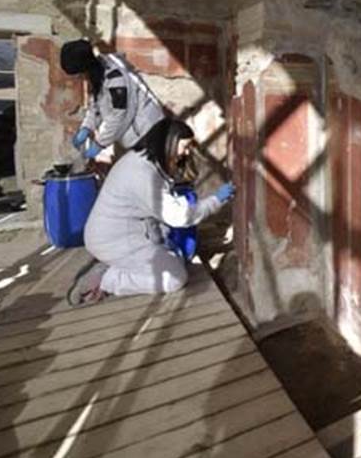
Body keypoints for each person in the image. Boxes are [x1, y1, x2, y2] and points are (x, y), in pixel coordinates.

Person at [68, 119, 235, 304]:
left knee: (175, 260)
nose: (186, 153)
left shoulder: (143, 161)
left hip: (124, 232)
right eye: (185, 146)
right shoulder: (142, 174)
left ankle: (115, 266)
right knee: (174, 279)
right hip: (111, 239)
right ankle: (108, 280)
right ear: (169, 141)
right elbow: (180, 216)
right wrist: (216, 200)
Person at [59, 39, 165, 159]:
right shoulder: (98, 73)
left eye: (78, 74)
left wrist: (99, 144)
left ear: (86, 68)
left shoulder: (116, 79)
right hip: (137, 133)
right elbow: (96, 107)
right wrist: (86, 127)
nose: (79, 78)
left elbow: (120, 117)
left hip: (148, 131)